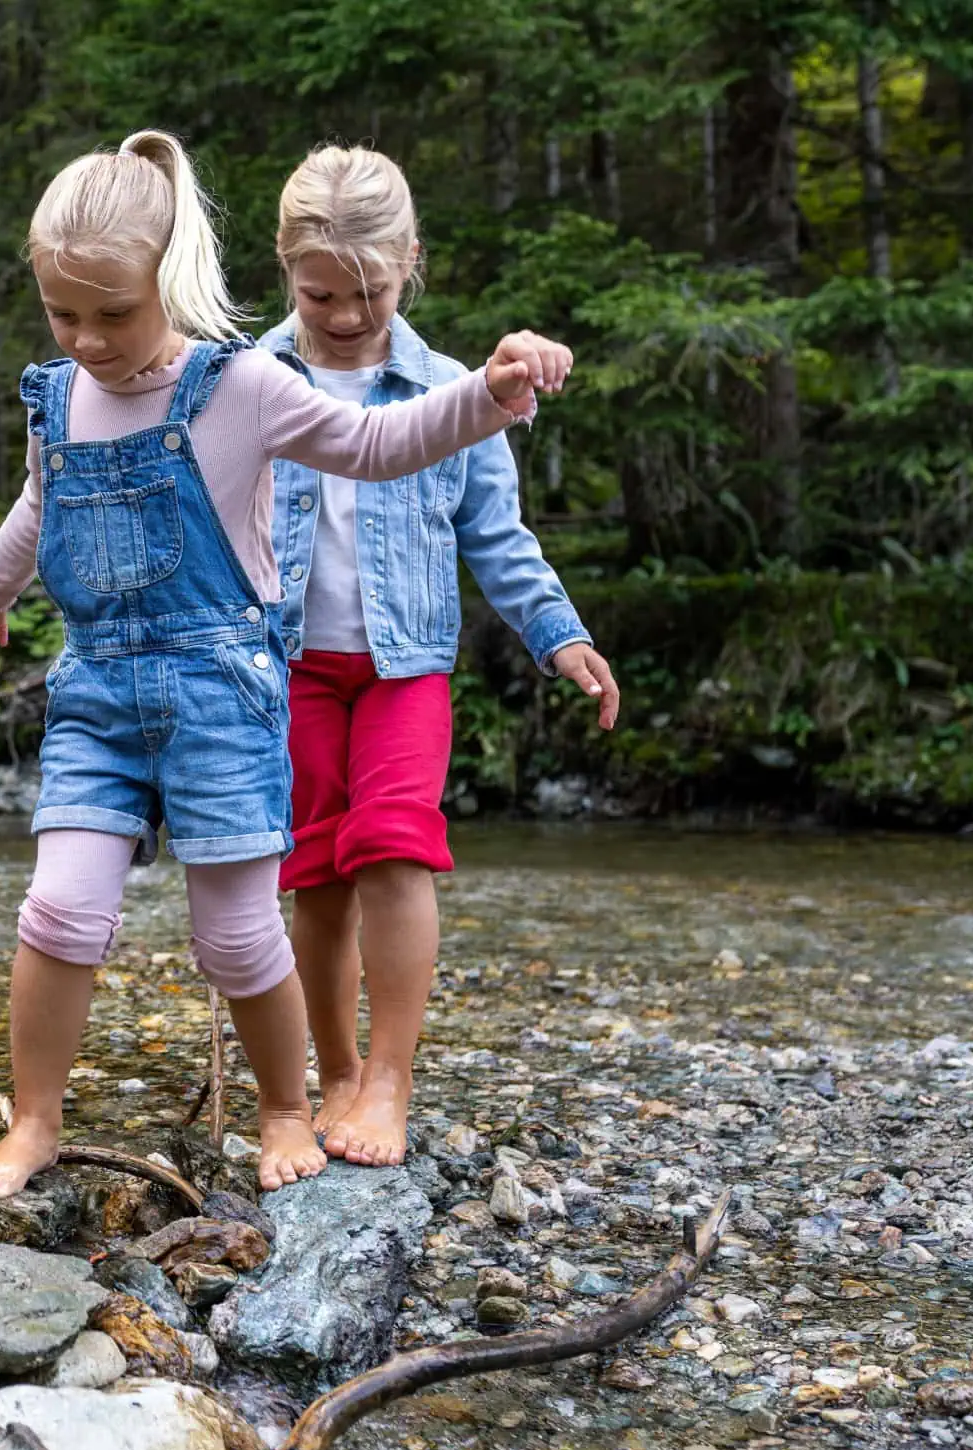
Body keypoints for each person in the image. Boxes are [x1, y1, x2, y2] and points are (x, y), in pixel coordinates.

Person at [0, 129, 574, 1200]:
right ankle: (34, 1121)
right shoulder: (56, 397)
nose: (87, 340)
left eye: (112, 315)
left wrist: (488, 394)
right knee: (59, 910)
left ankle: (292, 1106)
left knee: (237, 932)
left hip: (223, 695)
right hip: (95, 692)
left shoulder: (241, 387)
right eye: (63, 316)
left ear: (171, 277)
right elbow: (41, 503)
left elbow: (378, 446)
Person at [263, 144, 618, 1167]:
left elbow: (498, 541)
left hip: (403, 666)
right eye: (318, 292)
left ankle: (388, 1079)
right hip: (286, 666)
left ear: (408, 261)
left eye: (366, 293)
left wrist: (560, 634)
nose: (340, 315)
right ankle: (331, 1069)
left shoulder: (457, 393)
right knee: (314, 870)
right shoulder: (247, 379)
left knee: (395, 844)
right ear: (287, 272)